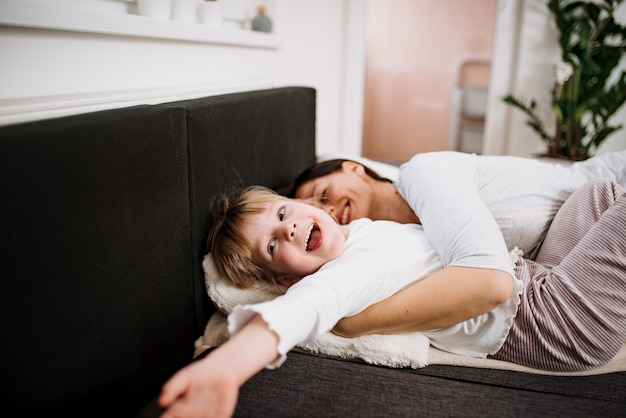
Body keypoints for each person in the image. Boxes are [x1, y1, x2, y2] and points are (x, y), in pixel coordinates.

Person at [158, 179, 626, 418]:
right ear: (285, 282)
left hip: (538, 276)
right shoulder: (343, 277)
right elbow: (303, 311)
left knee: (599, 193)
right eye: (274, 245)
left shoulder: (359, 231)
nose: (290, 227)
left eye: (282, 212)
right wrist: (227, 366)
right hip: (556, 318)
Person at [288, 150, 626, 337]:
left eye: (323, 194)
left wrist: (355, 323)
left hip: (609, 192)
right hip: (575, 250)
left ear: (354, 168)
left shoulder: (422, 173)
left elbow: (490, 280)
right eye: (319, 210)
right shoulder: (392, 242)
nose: (329, 209)